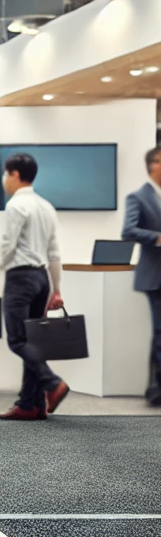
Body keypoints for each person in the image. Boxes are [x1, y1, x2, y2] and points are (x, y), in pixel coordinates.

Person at [0, 152, 68, 422]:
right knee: (32, 340)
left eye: (5, 174)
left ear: (14, 174)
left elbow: (9, 245)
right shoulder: (46, 206)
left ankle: (52, 383)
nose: (3, 180)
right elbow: (55, 252)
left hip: (20, 278)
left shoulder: (15, 205)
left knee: (17, 340)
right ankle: (31, 404)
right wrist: (56, 289)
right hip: (42, 279)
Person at [120, 145, 161, 406]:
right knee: (160, 331)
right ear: (153, 165)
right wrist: (157, 237)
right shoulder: (139, 197)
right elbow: (128, 231)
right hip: (155, 275)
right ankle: (157, 388)